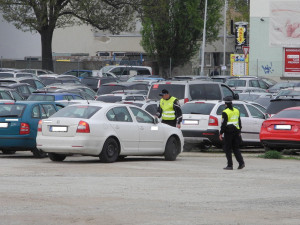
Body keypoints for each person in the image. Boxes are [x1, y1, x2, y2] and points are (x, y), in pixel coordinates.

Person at [219, 96, 245, 170]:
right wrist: (240, 131)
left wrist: (221, 133)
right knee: (236, 148)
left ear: (225, 104)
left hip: (228, 132)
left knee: (228, 149)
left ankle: (230, 165)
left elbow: (223, 124)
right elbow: (239, 122)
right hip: (236, 131)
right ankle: (241, 163)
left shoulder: (225, 112)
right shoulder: (236, 110)